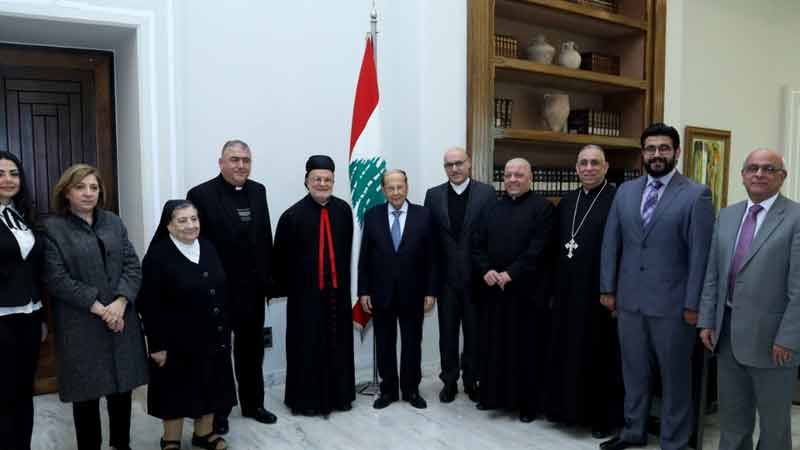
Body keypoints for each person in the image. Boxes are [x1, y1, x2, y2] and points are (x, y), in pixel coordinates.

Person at [599, 123, 715, 450]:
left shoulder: (696, 194)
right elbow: (612, 242)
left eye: (664, 148)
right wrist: (608, 288)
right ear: (643, 154)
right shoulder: (625, 191)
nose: (657, 155)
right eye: (650, 149)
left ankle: (674, 441)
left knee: (675, 378)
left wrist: (694, 306)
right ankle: (633, 431)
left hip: (674, 307)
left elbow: (700, 256)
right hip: (629, 303)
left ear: (676, 153)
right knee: (633, 372)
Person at [698, 149, 800, 450]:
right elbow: (713, 274)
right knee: (733, 424)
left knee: (773, 429)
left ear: (782, 177)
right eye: (753, 168)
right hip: (727, 336)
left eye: (769, 169)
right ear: (742, 175)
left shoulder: (795, 219)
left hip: (774, 344)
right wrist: (706, 319)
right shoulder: (728, 215)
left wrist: (789, 339)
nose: (759, 174)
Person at [43, 164, 148, 450]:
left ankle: (120, 445)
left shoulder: (113, 222)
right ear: (66, 192)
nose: (88, 193)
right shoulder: (53, 228)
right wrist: (103, 309)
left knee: (121, 390)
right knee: (86, 396)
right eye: (80, 187)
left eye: (93, 187)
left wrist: (121, 301)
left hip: (121, 319)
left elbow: (132, 265)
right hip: (81, 324)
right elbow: (57, 279)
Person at [187, 139, 276, 434]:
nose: (241, 165)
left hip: (253, 290)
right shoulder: (201, 194)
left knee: (252, 351)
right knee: (219, 352)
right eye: (234, 159)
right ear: (221, 162)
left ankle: (254, 404)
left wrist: (268, 281)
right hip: (219, 290)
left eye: (246, 160)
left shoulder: (258, 190)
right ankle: (220, 411)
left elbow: (265, 236)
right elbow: (196, 244)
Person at [138, 200, 236, 450]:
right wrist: (157, 345)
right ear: (168, 225)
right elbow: (149, 304)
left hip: (213, 335)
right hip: (176, 341)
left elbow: (222, 289)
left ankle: (203, 434)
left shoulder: (209, 247)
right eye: (182, 220)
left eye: (194, 219)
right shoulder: (157, 256)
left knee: (211, 385)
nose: (190, 225)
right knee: (175, 391)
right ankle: (170, 440)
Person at [546, 145, 622, 437]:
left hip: (599, 294)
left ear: (605, 167)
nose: (588, 168)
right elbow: (557, 248)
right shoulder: (567, 201)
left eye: (595, 163)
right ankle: (566, 412)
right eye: (583, 163)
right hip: (567, 292)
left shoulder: (617, 200)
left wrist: (612, 290)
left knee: (599, 356)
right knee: (568, 352)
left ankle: (601, 419)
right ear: (576, 168)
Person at [471, 157, 555, 423]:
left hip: (527, 294)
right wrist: (486, 270)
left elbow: (539, 249)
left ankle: (526, 404)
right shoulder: (491, 208)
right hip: (495, 293)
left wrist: (512, 273)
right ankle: (492, 397)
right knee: (494, 346)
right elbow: (477, 245)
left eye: (519, 175)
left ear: (530, 178)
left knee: (526, 350)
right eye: (508, 175)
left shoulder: (543, 209)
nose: (513, 180)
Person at [273, 155, 355, 416]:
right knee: (306, 347)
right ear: (306, 181)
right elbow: (280, 260)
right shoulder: (292, 216)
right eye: (317, 179)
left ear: (333, 181)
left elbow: (346, 252)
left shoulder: (343, 210)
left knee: (338, 343)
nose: (322, 183)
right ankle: (306, 400)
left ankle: (339, 397)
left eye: (327, 179)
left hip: (337, 296)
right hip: (305, 299)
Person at [358, 169, 438, 410]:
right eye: (390, 188)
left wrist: (431, 291)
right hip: (381, 293)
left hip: (414, 293)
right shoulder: (372, 215)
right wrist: (364, 291)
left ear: (407, 187)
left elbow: (433, 258)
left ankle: (411, 390)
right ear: (383, 190)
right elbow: (365, 258)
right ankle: (389, 390)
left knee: (412, 343)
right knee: (384, 343)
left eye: (399, 186)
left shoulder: (424, 215)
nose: (395, 192)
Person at [423, 147, 495, 403]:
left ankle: (471, 379)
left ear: (469, 164)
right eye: (449, 165)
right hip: (445, 281)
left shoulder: (487, 193)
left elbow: (491, 237)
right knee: (448, 334)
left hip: (477, 279)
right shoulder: (433, 196)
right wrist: (430, 285)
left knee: (474, 334)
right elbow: (429, 242)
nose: (454, 169)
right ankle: (450, 381)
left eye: (459, 163)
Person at [0, 151, 46, 450]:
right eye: (1, 173)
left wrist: (40, 316)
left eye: (14, 173)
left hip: (29, 315)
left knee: (22, 392)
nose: (7, 179)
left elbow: (35, 268)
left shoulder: (23, 214)